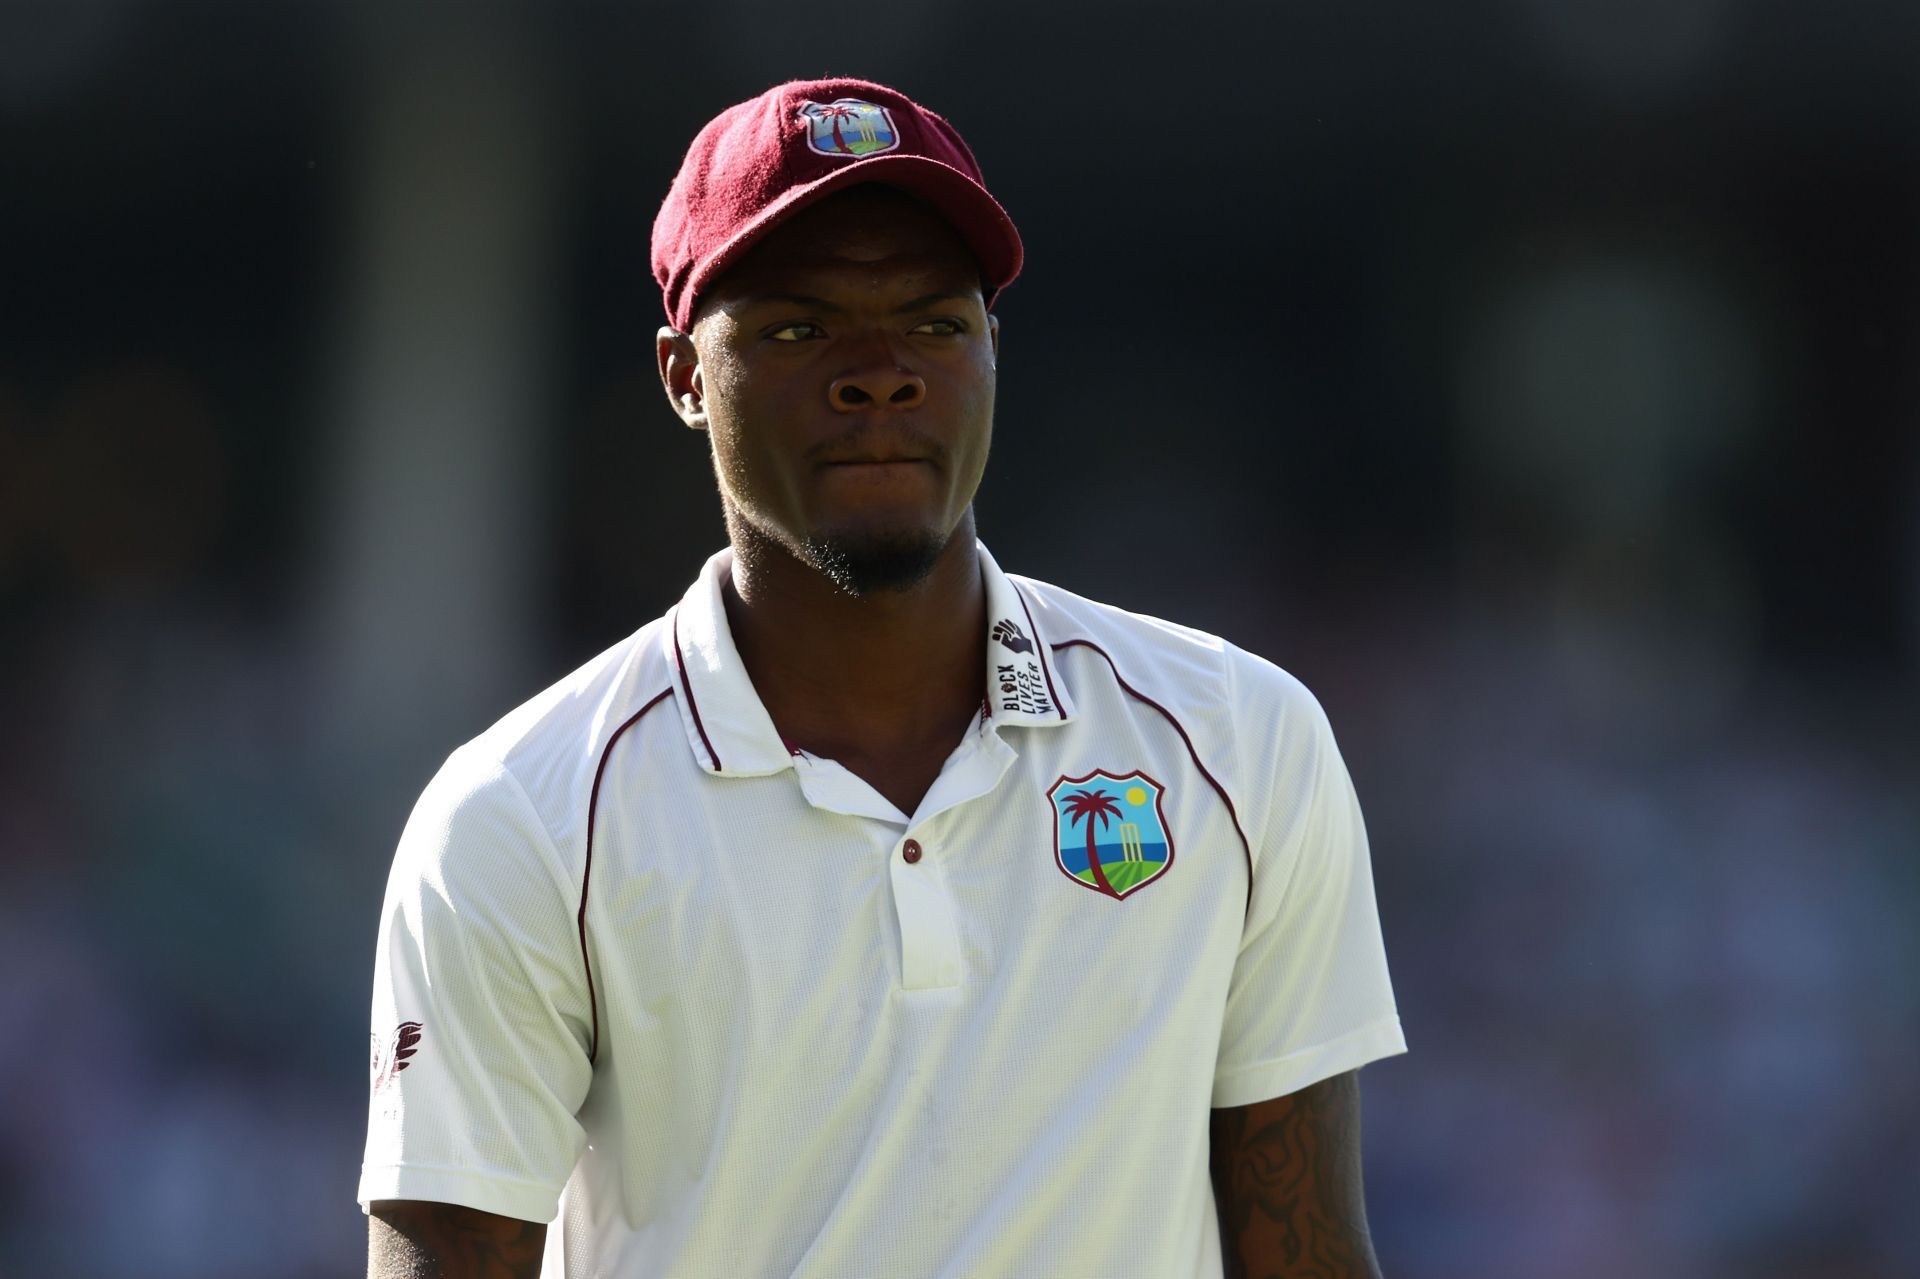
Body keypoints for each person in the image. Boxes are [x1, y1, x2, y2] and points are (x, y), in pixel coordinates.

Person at [359, 77, 1406, 1278]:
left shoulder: (1237, 740)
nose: (880, 372)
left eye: (933, 322)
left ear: (991, 352)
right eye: (798, 328)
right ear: (684, 376)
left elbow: (1311, 1250)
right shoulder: (523, 814)